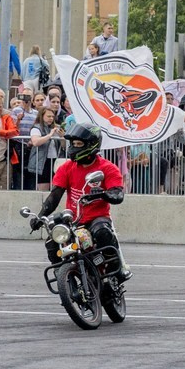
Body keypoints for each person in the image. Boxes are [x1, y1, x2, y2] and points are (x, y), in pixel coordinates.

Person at [29, 118, 129, 285]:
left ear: (91, 145)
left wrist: (104, 194)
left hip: (97, 218)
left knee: (103, 232)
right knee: (52, 240)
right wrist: (40, 216)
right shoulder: (66, 167)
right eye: (73, 144)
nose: (74, 148)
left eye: (79, 144)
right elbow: (55, 195)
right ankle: (63, 274)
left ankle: (115, 268)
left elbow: (118, 194)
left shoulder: (107, 168)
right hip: (73, 220)